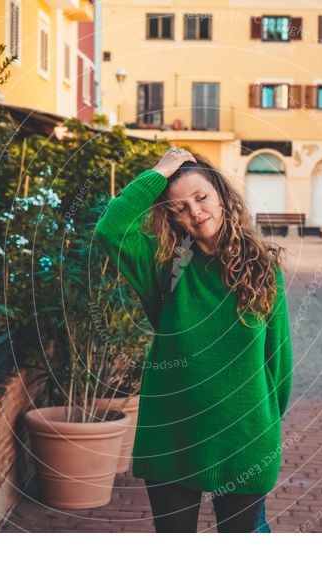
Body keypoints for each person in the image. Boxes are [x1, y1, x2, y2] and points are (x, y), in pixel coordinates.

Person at [95, 147, 293, 533]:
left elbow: (279, 363)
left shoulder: (264, 270)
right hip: (173, 434)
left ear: (221, 194)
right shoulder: (163, 267)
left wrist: (264, 426)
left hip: (244, 439)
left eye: (201, 198)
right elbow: (110, 229)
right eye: (179, 207)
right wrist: (160, 171)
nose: (195, 212)